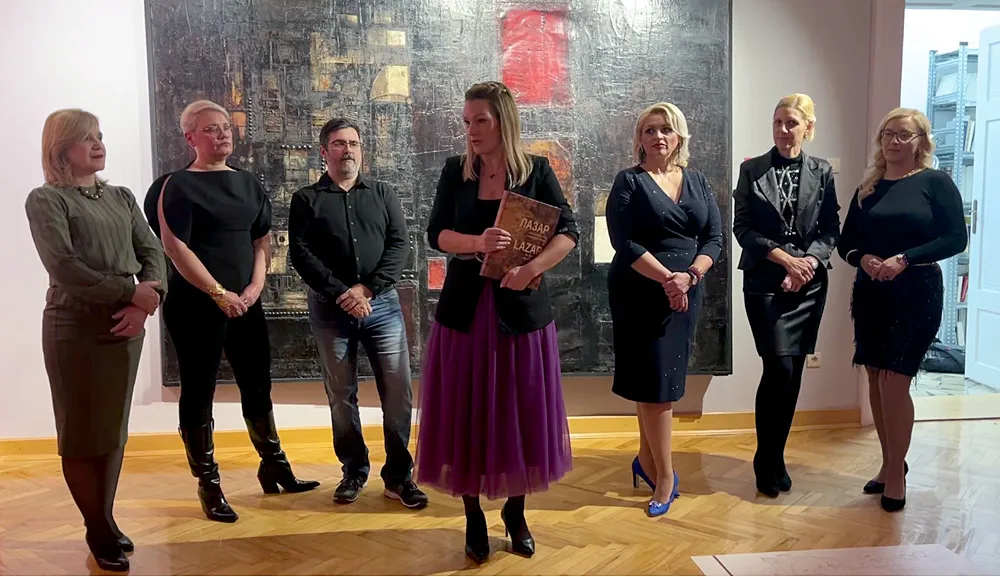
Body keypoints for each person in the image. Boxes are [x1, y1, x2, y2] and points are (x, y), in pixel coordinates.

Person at [417, 81, 577, 563]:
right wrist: (477, 244)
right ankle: (472, 516)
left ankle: (515, 511)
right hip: (465, 314)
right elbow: (435, 234)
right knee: (465, 413)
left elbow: (569, 231)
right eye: (466, 122)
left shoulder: (537, 170)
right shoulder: (456, 171)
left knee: (520, 412)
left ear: (503, 121)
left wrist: (531, 269)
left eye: (480, 121)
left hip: (521, 313)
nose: (471, 130)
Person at [144, 100, 318, 523]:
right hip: (196, 305)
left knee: (257, 384)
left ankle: (274, 465)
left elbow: (263, 240)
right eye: (211, 128)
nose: (223, 134)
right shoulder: (176, 185)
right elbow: (175, 247)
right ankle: (209, 483)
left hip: (245, 302)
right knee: (198, 390)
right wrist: (219, 293)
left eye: (226, 127)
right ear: (190, 137)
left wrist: (255, 287)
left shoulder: (248, 182)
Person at [25, 109, 167, 571]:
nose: (97, 144)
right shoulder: (47, 199)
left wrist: (144, 304)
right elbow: (63, 266)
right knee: (81, 431)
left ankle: (103, 516)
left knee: (111, 430)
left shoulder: (121, 196)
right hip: (74, 327)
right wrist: (129, 293)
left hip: (125, 325)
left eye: (99, 135)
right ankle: (98, 527)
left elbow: (152, 251)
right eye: (86, 138)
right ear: (61, 149)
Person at [288, 118, 427, 508]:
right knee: (340, 393)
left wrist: (367, 289)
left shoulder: (383, 194)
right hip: (330, 310)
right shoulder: (305, 199)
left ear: (361, 150)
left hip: (382, 305)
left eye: (353, 143)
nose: (347, 149)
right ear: (324, 151)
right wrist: (342, 293)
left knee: (397, 392)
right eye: (339, 143)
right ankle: (353, 471)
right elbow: (301, 254)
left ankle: (398, 477)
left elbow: (399, 245)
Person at [837, 107, 966, 512]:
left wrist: (906, 258)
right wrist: (863, 258)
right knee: (876, 379)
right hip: (872, 293)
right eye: (888, 134)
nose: (893, 141)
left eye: (903, 135)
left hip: (916, 292)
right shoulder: (870, 186)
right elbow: (846, 243)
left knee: (895, 381)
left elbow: (955, 238)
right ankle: (889, 461)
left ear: (921, 142)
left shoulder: (936, 182)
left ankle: (896, 475)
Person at [606, 102, 723, 518]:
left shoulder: (698, 181)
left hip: (686, 291)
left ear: (679, 137)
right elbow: (623, 241)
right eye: (650, 130)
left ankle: (646, 460)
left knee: (659, 380)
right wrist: (667, 280)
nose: (658, 136)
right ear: (640, 138)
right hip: (638, 290)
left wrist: (688, 277)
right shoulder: (629, 181)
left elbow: (714, 239)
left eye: (666, 130)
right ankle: (666, 478)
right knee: (654, 383)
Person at [733, 94, 841, 498]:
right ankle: (765, 459)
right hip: (765, 279)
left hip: (809, 284)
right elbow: (742, 228)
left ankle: (777, 458)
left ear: (807, 127)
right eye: (777, 122)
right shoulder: (752, 170)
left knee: (793, 371)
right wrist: (785, 260)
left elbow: (830, 229)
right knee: (777, 367)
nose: (782, 129)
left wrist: (807, 264)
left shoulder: (822, 171)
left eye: (791, 123)